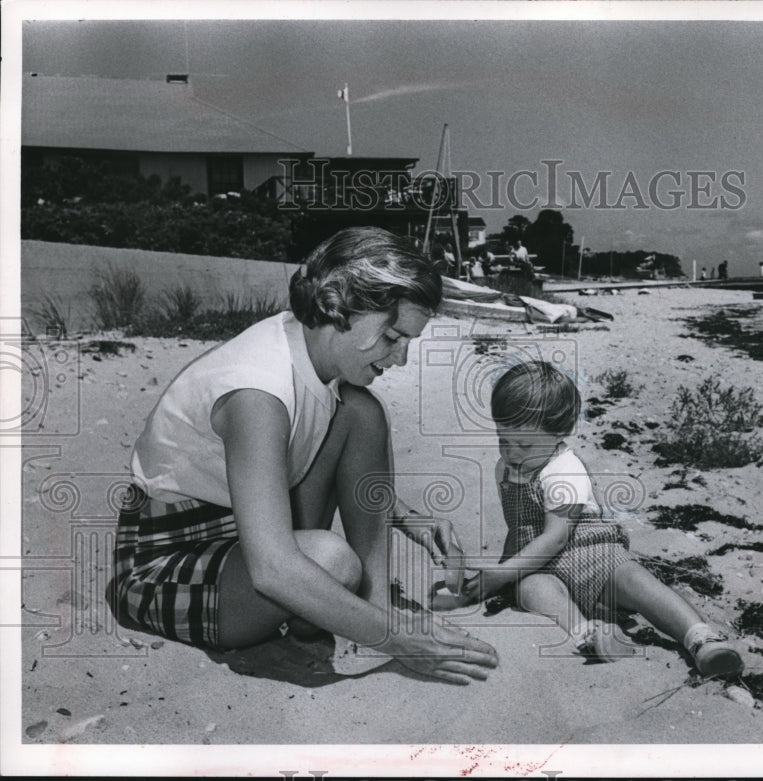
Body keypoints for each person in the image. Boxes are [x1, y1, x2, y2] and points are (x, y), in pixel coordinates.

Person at [106, 227, 498, 685]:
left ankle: (371, 605)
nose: (402, 358)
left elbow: (298, 451)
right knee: (330, 562)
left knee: (362, 412)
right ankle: (360, 616)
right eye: (393, 336)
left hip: (241, 529)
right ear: (342, 306)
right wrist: (397, 640)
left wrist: (408, 517)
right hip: (163, 563)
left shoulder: (307, 351)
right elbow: (272, 570)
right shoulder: (257, 392)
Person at [458, 361, 743, 678]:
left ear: (558, 434)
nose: (511, 453)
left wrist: (503, 572)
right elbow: (521, 527)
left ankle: (700, 638)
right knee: (534, 592)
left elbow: (557, 536)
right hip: (538, 564)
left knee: (635, 580)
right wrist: (503, 576)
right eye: (503, 439)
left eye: (523, 444)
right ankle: (588, 633)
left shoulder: (562, 470)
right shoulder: (506, 469)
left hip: (589, 553)